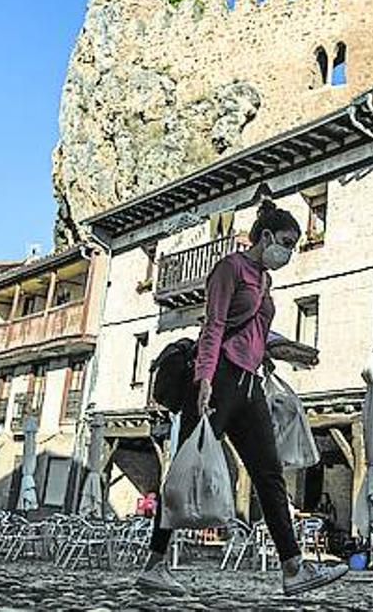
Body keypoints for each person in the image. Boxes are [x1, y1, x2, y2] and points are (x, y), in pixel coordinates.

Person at [137, 200, 349, 597]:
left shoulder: (265, 281)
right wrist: (202, 380)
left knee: (269, 473)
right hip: (217, 378)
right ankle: (155, 564)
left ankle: (292, 569)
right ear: (266, 236)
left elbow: (253, 335)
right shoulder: (230, 268)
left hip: (249, 384)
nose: (289, 251)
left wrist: (288, 352)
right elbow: (214, 325)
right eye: (286, 242)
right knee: (185, 466)